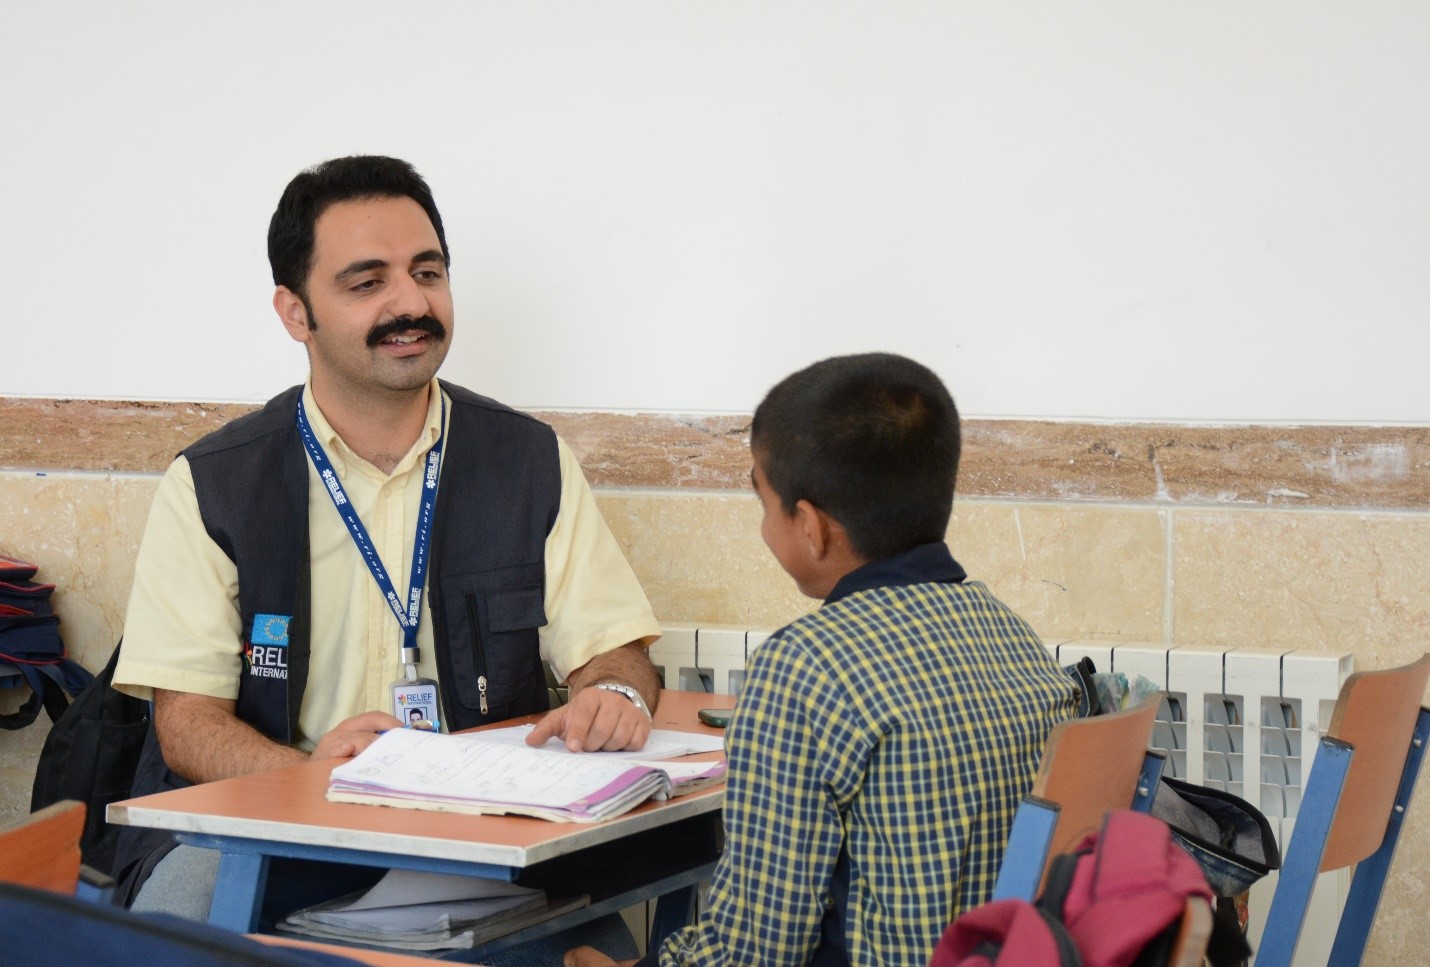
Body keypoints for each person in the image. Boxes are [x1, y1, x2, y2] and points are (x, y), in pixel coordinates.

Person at [111, 157, 662, 959]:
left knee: (600, 949)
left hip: (475, 838)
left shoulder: (528, 461)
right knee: (178, 934)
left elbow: (615, 650)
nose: (411, 303)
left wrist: (613, 693)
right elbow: (186, 725)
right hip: (263, 823)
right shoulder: (214, 483)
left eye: (427, 272)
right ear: (295, 312)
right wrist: (313, 774)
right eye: (368, 282)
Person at [567, 353, 1079, 967]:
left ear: (811, 527)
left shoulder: (802, 668)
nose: (764, 528)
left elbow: (756, 948)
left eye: (764, 504)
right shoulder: (1010, 634)